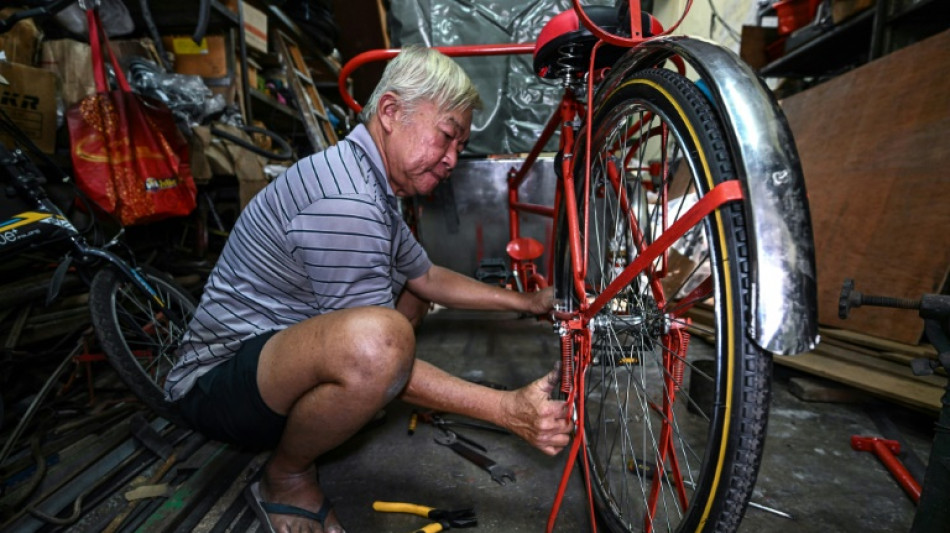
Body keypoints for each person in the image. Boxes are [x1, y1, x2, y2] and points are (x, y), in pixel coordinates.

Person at [164, 46, 572, 533]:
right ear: (391, 112)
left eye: (460, 147)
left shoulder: (368, 180)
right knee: (381, 343)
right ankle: (287, 476)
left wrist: (526, 301)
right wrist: (507, 410)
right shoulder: (346, 199)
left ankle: (351, 403)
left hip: (270, 361)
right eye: (446, 136)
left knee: (407, 301)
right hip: (216, 387)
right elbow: (376, 350)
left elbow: (427, 277)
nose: (451, 160)